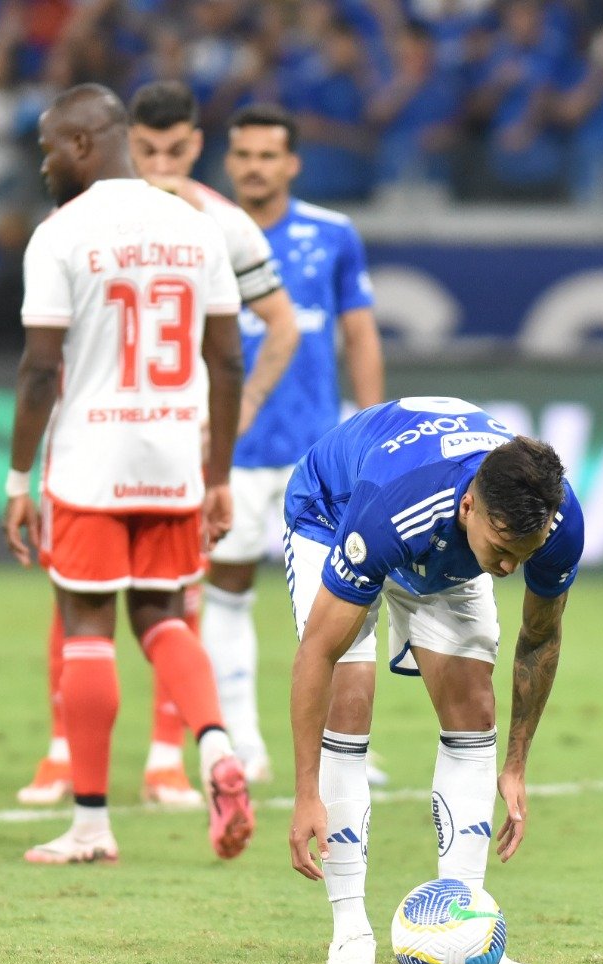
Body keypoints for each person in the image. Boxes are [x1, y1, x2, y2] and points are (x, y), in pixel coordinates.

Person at [16, 79, 300, 811]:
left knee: (84, 619)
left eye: (50, 149)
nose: (45, 164)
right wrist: (218, 471)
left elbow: (41, 367)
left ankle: (89, 815)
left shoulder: (64, 231)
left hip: (91, 456)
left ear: (82, 144)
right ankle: (211, 745)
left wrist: (19, 477)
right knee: (166, 615)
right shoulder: (200, 227)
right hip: (178, 458)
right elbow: (230, 357)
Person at [283, 397, 584, 964]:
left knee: (474, 709)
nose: (505, 571)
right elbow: (316, 652)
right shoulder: (392, 508)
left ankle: (467, 928)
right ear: (469, 504)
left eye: (519, 559)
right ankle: (350, 934)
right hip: (336, 511)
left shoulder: (555, 524)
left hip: (442, 545)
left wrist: (516, 764)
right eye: (500, 552)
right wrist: (304, 794)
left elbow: (539, 640)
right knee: (350, 698)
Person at [206, 103, 384, 785]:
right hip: (231, 451)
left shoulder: (333, 235)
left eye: (267, 156)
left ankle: (347, 751)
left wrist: (374, 429)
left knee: (340, 600)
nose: (254, 168)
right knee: (226, 589)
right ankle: (241, 744)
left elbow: (359, 333)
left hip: (319, 457)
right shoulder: (202, 235)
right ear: (228, 161)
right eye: (243, 155)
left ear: (291, 164)